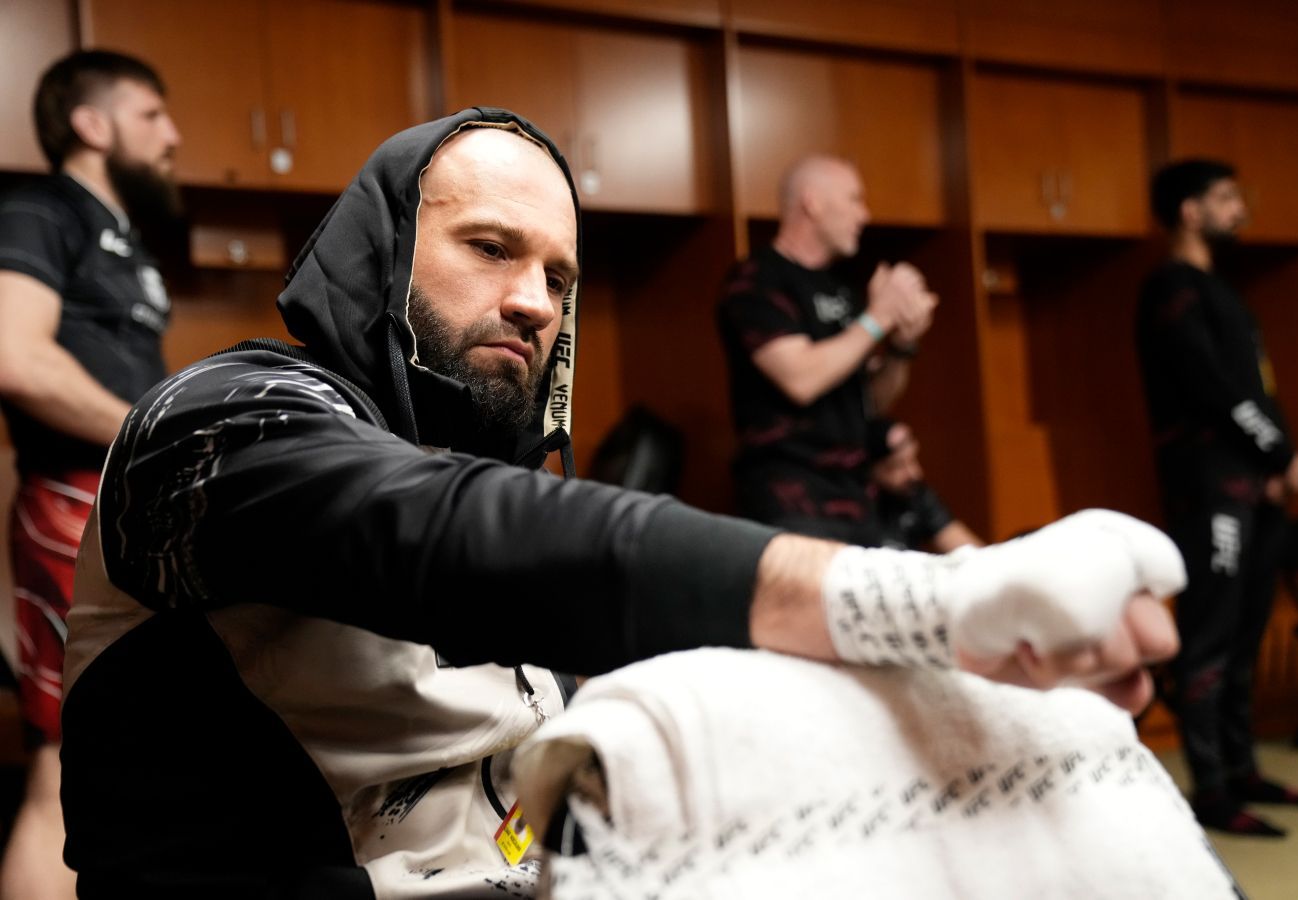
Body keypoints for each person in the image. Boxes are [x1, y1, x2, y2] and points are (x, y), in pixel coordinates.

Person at [62, 108, 1181, 898]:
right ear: (384, 254)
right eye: (489, 248)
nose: (533, 302)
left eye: (559, 277)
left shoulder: (490, 469)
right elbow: (446, 534)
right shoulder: (215, 422)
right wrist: (920, 600)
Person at [0, 50, 180, 899]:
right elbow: (14, 357)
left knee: (148, 753)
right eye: (152, 115)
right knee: (62, 770)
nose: (173, 135)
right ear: (92, 123)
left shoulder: (128, 241)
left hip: (132, 508)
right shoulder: (40, 211)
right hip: (73, 503)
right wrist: (159, 429)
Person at [1136, 158, 1298, 838]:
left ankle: (1244, 769)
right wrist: (1278, 453)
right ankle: (1212, 789)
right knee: (1209, 636)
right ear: (1189, 211)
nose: (1239, 208)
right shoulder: (1171, 287)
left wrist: (1277, 461)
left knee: (1247, 632)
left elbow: (1255, 389)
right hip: (1210, 488)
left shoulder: (1223, 292)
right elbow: (1210, 388)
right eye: (1225, 197)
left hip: (1258, 491)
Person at [716, 155, 940, 547]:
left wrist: (901, 345)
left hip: (857, 496)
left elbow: (871, 401)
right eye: (854, 199)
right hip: (792, 500)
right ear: (812, 202)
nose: (864, 215)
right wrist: (879, 316)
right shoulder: (757, 279)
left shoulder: (843, 291)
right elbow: (800, 379)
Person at [871, 422, 981, 553]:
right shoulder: (857, 508)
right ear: (870, 469)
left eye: (913, 459)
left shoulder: (916, 493)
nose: (915, 473)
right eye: (898, 465)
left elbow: (971, 552)